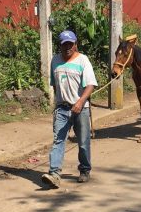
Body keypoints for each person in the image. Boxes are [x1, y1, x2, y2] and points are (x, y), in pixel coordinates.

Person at [41, 30, 98, 189]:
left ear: (75, 44)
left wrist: (80, 102)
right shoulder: (55, 61)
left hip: (81, 108)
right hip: (62, 109)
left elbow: (90, 85)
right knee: (58, 140)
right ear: (60, 45)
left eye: (70, 44)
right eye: (64, 44)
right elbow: (54, 84)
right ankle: (54, 174)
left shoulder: (83, 60)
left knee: (83, 142)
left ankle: (85, 170)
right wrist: (59, 103)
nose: (68, 47)